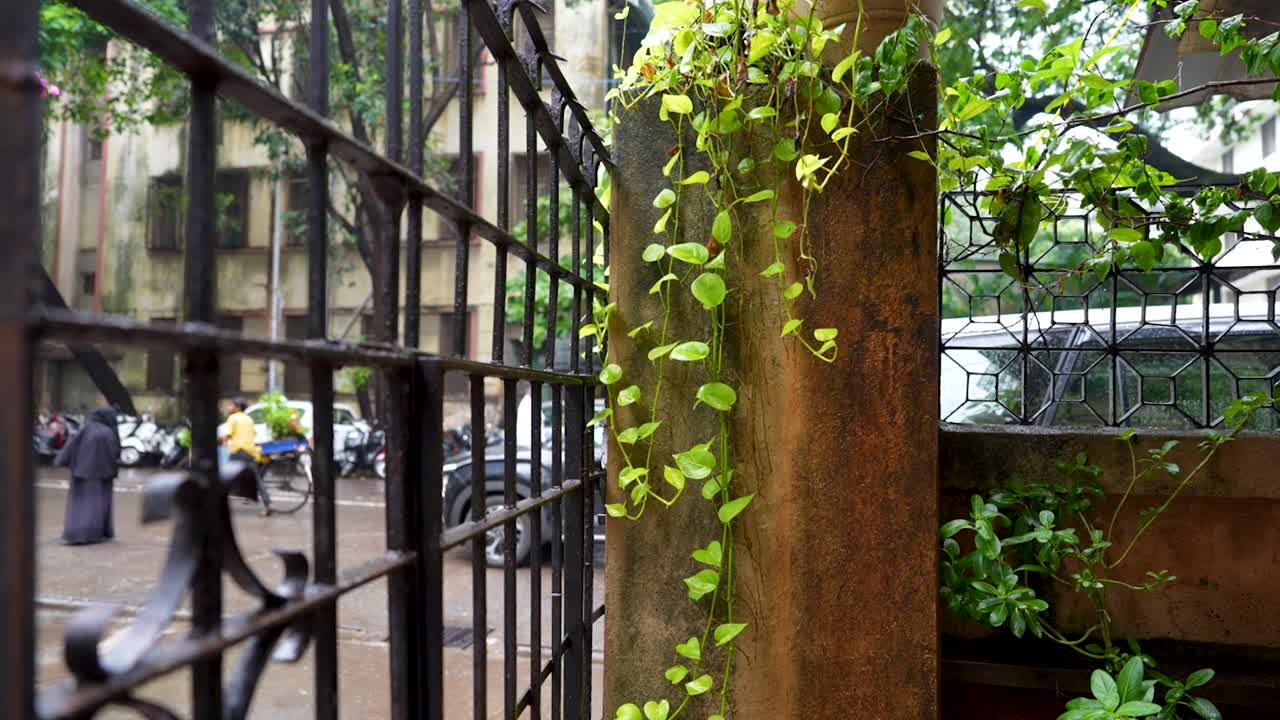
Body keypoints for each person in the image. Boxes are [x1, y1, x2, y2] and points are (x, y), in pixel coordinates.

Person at [55, 406, 120, 545]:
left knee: (80, 504)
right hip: (104, 475)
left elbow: (71, 446)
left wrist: (60, 461)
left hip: (81, 472)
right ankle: (97, 533)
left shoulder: (86, 429)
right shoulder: (109, 432)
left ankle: (78, 534)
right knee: (100, 504)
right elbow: (115, 454)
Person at [223, 398, 271, 514]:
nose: (229, 407)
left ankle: (218, 506)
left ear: (238, 408)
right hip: (250, 451)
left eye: (231, 405)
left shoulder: (233, 418)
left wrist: (223, 443)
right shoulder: (249, 419)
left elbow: (227, 436)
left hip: (239, 451)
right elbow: (253, 434)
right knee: (255, 478)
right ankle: (264, 502)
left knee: (225, 477)